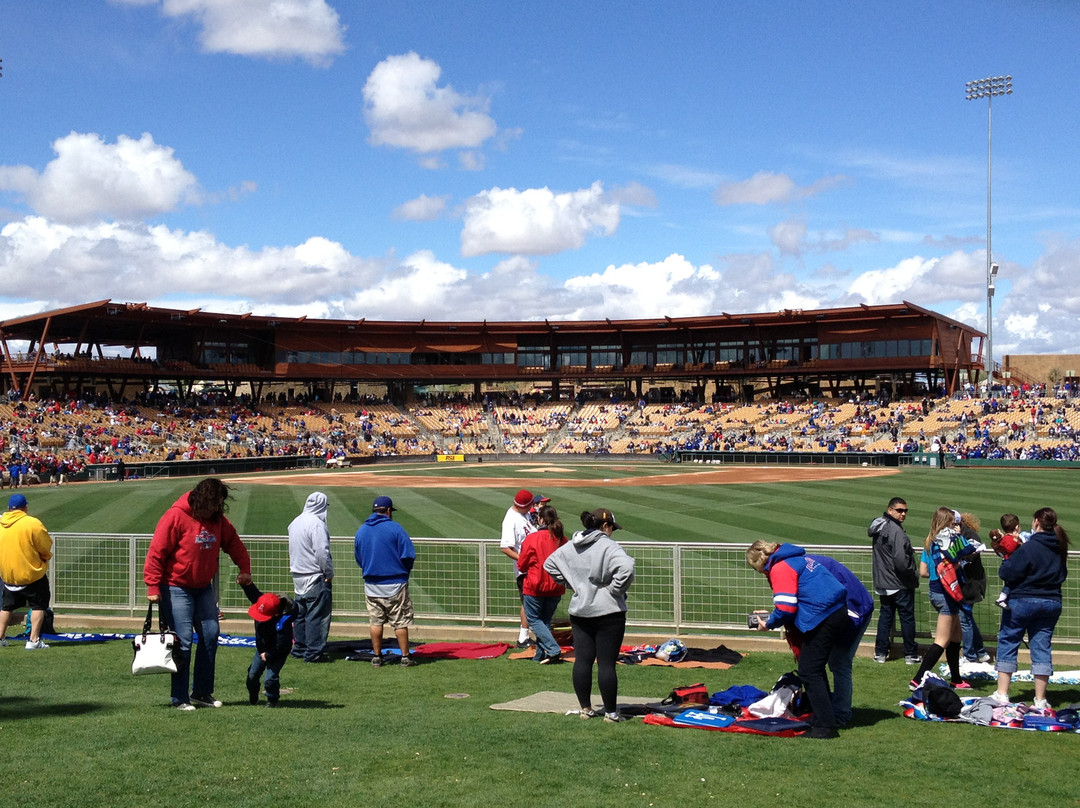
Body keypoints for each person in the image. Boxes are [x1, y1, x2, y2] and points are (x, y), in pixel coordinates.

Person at [144, 478, 252, 710]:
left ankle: (201, 692)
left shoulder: (218, 520)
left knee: (211, 635)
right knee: (182, 641)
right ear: (203, 500)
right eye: (215, 503)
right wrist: (152, 586)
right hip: (175, 586)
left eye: (220, 504)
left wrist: (245, 568)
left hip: (203, 587)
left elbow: (233, 542)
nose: (218, 508)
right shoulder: (175, 516)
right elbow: (157, 551)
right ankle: (179, 697)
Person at [746, 540, 848, 739]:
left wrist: (769, 623)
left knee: (809, 671)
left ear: (759, 562)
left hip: (823, 617)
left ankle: (825, 727)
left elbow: (786, 608)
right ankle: (824, 718)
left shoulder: (780, 568)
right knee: (814, 668)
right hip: (834, 611)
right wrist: (772, 616)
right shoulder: (796, 559)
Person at [544, 508, 635, 723]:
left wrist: (573, 584)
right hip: (609, 612)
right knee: (606, 663)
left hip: (580, 611)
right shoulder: (608, 545)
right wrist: (614, 590)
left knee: (582, 661)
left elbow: (549, 564)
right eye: (612, 528)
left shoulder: (572, 545)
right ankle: (611, 713)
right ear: (605, 526)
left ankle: (586, 709)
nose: (612, 532)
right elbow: (627, 567)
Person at [991, 507, 1069, 710]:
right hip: (1051, 602)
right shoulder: (1059, 547)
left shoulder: (1029, 547)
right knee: (1041, 646)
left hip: (1023, 600)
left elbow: (1008, 572)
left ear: (1036, 522)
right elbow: (1062, 574)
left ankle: (1002, 694)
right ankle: (1040, 699)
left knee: (1008, 641)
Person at [909, 507, 975, 691]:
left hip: (936, 591)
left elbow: (923, 571)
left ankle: (956, 679)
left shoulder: (930, 541)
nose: (955, 526)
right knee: (942, 640)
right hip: (946, 593)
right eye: (953, 523)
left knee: (956, 636)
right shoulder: (946, 542)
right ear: (946, 523)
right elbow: (953, 565)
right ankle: (917, 680)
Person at [808, 554, 874, 728]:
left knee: (840, 663)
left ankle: (841, 714)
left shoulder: (804, 569)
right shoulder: (806, 563)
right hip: (848, 607)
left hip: (855, 609)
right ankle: (830, 709)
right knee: (826, 661)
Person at [354, 495, 418, 667]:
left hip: (371, 584)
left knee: (375, 622)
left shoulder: (362, 530)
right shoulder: (395, 528)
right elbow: (408, 555)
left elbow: (359, 558)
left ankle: (377, 657)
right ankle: (405, 657)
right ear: (389, 511)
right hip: (396, 583)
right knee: (400, 622)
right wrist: (404, 572)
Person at [868, 497, 920, 664]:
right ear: (890, 510)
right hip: (899, 583)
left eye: (905, 511)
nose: (903, 514)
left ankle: (880, 653)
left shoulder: (880, 526)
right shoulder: (895, 530)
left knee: (886, 617)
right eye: (899, 510)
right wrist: (913, 573)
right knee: (906, 618)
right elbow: (901, 561)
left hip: (883, 581)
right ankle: (910, 654)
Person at [0, 494, 54, 649]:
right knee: (39, 605)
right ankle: (33, 640)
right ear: (25, 507)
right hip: (31, 574)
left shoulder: (1, 524)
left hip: (9, 575)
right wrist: (45, 558)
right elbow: (45, 545)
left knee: (6, 607)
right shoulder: (32, 523)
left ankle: (0, 637)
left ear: (9, 508)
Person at [517, 504, 568, 663]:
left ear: (540, 520)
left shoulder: (532, 538)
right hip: (556, 586)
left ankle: (553, 649)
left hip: (535, 585)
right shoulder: (562, 539)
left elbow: (521, 565)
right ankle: (539, 655)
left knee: (533, 620)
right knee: (544, 620)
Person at [288, 491, 334, 663]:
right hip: (314, 575)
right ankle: (314, 652)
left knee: (300, 615)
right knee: (317, 616)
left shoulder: (295, 522)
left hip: (297, 575)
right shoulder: (316, 524)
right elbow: (322, 552)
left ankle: (300, 648)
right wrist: (328, 573)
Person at [242, 585, 297, 707]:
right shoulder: (263, 605)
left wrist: (268, 655)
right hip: (262, 649)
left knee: (270, 678)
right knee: (252, 675)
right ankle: (253, 693)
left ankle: (272, 699)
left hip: (277, 652)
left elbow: (282, 646)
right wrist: (246, 584)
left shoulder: (282, 624)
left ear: (275, 614)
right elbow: (254, 595)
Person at [500, 489, 534, 648]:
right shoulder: (511, 519)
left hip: (534, 568)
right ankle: (523, 638)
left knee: (531, 602)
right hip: (525, 570)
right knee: (528, 602)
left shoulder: (524, 514)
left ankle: (525, 636)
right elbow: (505, 547)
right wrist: (524, 560)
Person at [956, 512, 990, 663]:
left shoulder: (970, 535)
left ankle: (970, 656)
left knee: (965, 619)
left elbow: (970, 556)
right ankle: (981, 652)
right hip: (962, 584)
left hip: (971, 584)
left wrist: (958, 539)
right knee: (966, 618)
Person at [988, 513, 1029, 608]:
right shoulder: (1008, 538)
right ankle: (1001, 599)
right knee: (1011, 583)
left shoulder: (1008, 538)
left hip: (1012, 564)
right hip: (1010, 564)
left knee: (1010, 584)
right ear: (1017, 527)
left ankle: (1003, 599)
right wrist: (1015, 540)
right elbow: (1010, 549)